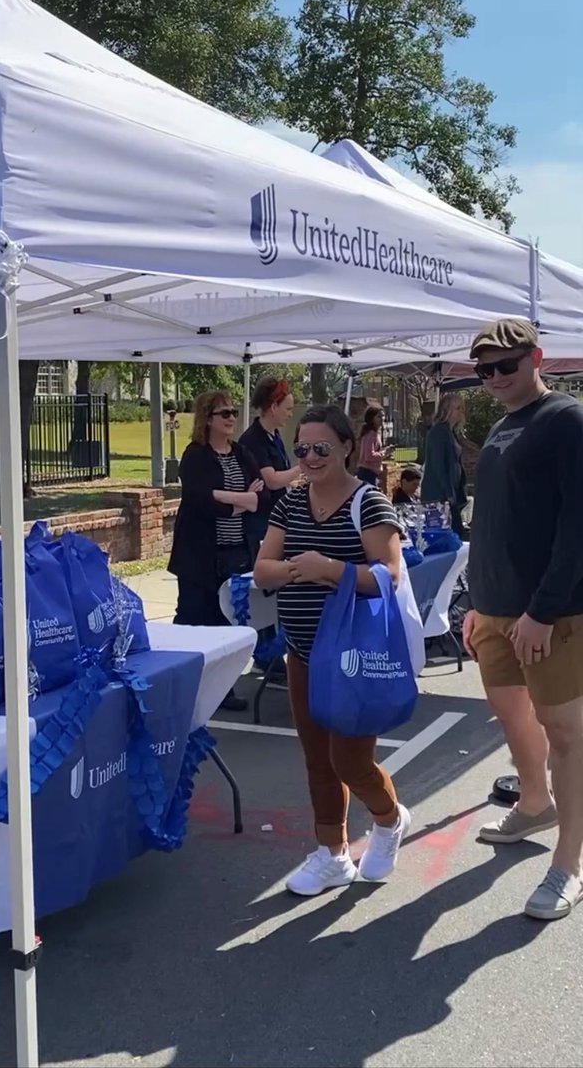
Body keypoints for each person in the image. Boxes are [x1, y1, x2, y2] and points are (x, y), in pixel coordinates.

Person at [254, 404, 410, 895]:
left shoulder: (370, 503)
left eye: (322, 447)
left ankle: (388, 819)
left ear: (347, 446)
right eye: (302, 448)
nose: (312, 457)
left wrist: (329, 569)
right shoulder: (290, 502)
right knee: (316, 760)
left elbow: (388, 575)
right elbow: (263, 570)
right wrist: (304, 569)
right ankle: (332, 853)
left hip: (350, 658)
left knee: (350, 761)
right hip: (302, 650)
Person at [462, 319, 583, 920]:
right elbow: (495, 522)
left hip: (550, 614)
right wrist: (478, 602)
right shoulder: (504, 426)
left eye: (505, 365)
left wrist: (541, 609)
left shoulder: (565, 420)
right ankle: (534, 803)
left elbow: (577, 526)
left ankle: (569, 861)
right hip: (495, 609)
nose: (494, 379)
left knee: (564, 732)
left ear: (537, 357)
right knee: (512, 719)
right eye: (483, 370)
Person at [169, 390, 266, 712]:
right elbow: (199, 499)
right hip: (198, 556)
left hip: (235, 553)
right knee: (194, 618)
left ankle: (222, 689)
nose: (231, 419)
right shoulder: (195, 455)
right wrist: (240, 499)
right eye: (224, 413)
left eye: (234, 412)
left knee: (226, 621)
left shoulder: (241, 454)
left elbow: (260, 499)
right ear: (207, 419)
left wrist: (226, 497)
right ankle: (179, 683)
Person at [238, 376, 302, 678]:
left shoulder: (274, 437)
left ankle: (273, 650)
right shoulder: (253, 439)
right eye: (287, 408)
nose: (290, 414)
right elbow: (273, 478)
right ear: (273, 406)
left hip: (277, 520)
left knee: (276, 589)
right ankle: (264, 653)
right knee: (262, 588)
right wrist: (304, 467)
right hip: (259, 523)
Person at [421, 394, 468, 537]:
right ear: (447, 410)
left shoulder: (450, 431)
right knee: (448, 535)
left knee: (454, 534)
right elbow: (438, 464)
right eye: (457, 408)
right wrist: (449, 493)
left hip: (448, 494)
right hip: (439, 495)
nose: (461, 412)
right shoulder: (439, 432)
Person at [357, 406, 391, 487]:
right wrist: (384, 453)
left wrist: (385, 451)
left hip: (372, 473)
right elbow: (369, 456)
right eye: (379, 416)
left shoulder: (376, 433)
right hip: (367, 473)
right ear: (372, 419)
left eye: (383, 416)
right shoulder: (370, 434)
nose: (382, 419)